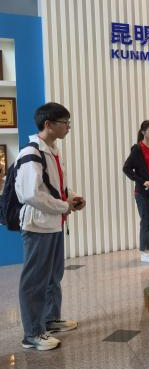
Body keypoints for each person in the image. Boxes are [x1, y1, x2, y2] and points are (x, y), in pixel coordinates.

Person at [15, 102, 86, 351]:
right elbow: (30, 194)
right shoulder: (31, 153)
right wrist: (64, 206)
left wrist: (72, 198)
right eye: (65, 123)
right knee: (35, 280)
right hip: (38, 225)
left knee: (53, 276)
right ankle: (32, 334)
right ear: (48, 124)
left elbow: (56, 186)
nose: (68, 127)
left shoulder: (52, 151)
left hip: (54, 223)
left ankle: (49, 319)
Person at [123, 120, 149, 263]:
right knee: (146, 221)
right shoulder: (138, 149)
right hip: (142, 192)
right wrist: (142, 181)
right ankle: (145, 251)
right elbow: (126, 168)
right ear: (143, 132)